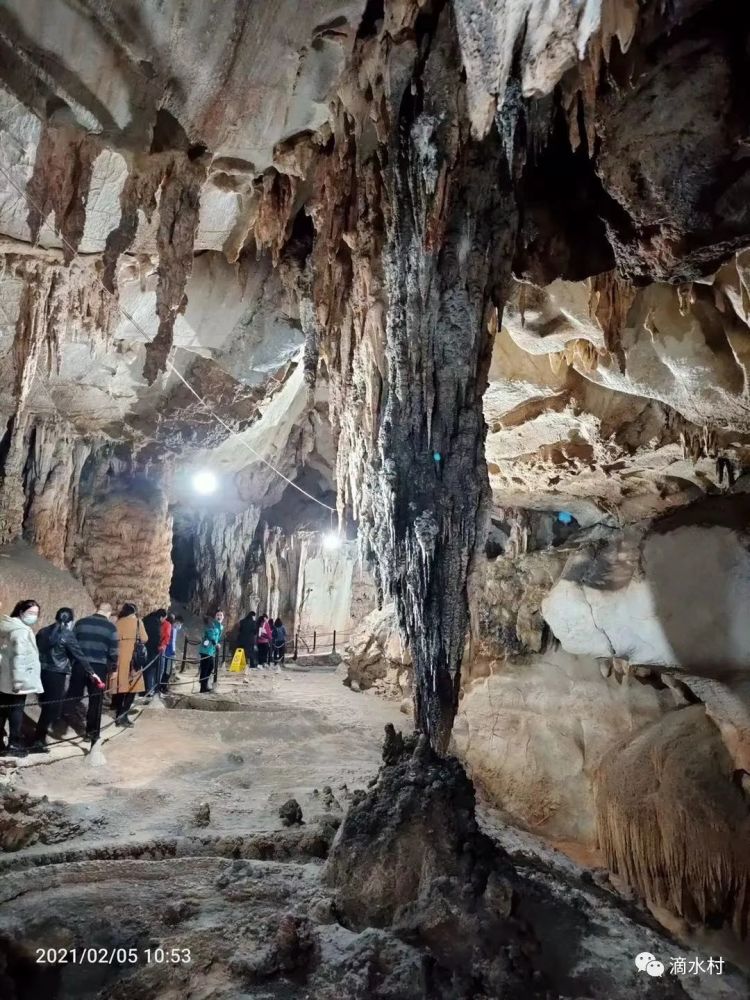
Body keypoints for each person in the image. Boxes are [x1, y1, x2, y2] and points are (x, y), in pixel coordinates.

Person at [33, 607, 104, 752]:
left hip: (40, 672)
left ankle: (39, 738)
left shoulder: (43, 631)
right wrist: (92, 672)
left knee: (46, 704)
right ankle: (38, 740)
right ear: (71, 621)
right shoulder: (67, 635)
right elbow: (79, 655)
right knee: (51, 708)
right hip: (56, 674)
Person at [0, 600, 43, 757]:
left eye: (36, 614)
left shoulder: (8, 625)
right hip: (16, 680)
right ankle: (14, 744)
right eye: (30, 613)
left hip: (5, 678)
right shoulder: (21, 631)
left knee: (3, 711)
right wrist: (19, 682)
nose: (33, 616)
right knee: (16, 712)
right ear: (21, 612)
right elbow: (19, 658)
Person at [72, 602, 119, 743]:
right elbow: (114, 651)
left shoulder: (80, 623)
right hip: (98, 667)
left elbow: (72, 644)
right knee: (96, 700)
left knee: (74, 695)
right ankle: (91, 733)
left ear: (97, 610)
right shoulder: (111, 628)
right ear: (109, 613)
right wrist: (114, 669)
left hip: (79, 665)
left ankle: (65, 721)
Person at [109, 604, 147, 727]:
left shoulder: (118, 623)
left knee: (121, 687)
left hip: (120, 659)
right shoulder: (137, 622)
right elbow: (144, 638)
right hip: (132, 660)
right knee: (132, 689)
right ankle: (123, 715)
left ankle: (118, 713)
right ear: (134, 612)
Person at [141, 608, 167, 696]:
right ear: (161, 617)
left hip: (144, 648)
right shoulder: (156, 623)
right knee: (151, 670)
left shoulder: (147, 619)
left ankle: (143, 690)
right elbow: (156, 636)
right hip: (152, 650)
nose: (164, 621)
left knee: (145, 669)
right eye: (164, 619)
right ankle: (149, 690)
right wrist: (158, 648)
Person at [198, 611, 224, 693]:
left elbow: (218, 638)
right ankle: (202, 687)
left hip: (211, 650)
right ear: (215, 616)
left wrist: (218, 643)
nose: (219, 616)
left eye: (221, 615)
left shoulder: (220, 627)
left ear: (223, 617)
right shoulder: (212, 624)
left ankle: (205, 685)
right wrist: (215, 644)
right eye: (217, 615)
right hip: (206, 649)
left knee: (210, 667)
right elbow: (210, 635)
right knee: (205, 667)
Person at [161, 614, 183, 691]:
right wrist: (173, 652)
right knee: (167, 670)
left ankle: (164, 685)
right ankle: (163, 686)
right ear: (176, 622)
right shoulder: (171, 629)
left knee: (166, 669)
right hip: (168, 652)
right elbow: (170, 641)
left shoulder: (173, 629)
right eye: (179, 624)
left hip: (168, 651)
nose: (179, 626)